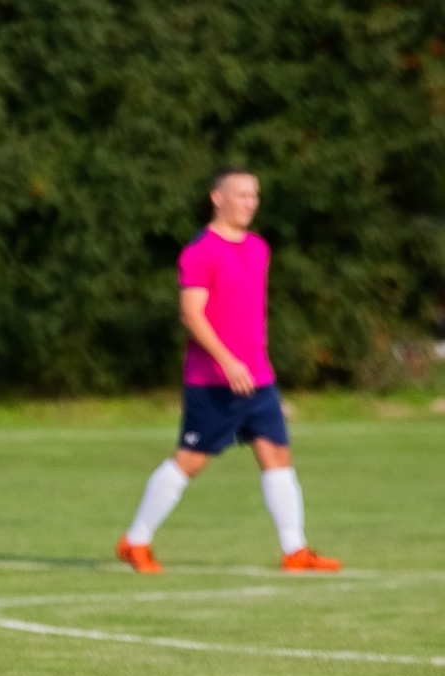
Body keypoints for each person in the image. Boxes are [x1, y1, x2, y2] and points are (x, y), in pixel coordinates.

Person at [117, 169, 341, 574]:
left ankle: (295, 550)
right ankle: (135, 541)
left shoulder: (258, 248)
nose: (250, 203)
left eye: (254, 195)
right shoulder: (200, 251)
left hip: (258, 378)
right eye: (241, 195)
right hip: (214, 381)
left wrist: (254, 361)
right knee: (190, 461)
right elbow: (191, 313)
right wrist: (227, 360)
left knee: (277, 455)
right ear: (217, 198)